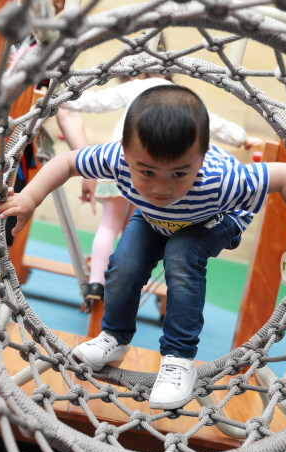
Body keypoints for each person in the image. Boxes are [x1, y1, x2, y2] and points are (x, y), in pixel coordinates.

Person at [0, 85, 286, 410]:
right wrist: (30, 197)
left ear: (201, 158)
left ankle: (178, 360)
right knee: (124, 263)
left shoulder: (224, 179)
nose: (161, 187)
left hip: (216, 216)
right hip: (155, 218)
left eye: (179, 173)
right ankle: (114, 337)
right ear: (125, 154)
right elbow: (68, 163)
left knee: (182, 255)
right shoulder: (116, 158)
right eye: (148, 172)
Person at [56, 74, 262, 304]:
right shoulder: (180, 98)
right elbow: (212, 123)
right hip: (152, 179)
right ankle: (131, 276)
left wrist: (60, 99)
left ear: (142, 72)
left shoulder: (137, 86)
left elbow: (97, 101)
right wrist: (242, 138)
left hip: (123, 167)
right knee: (136, 229)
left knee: (108, 225)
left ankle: (96, 283)